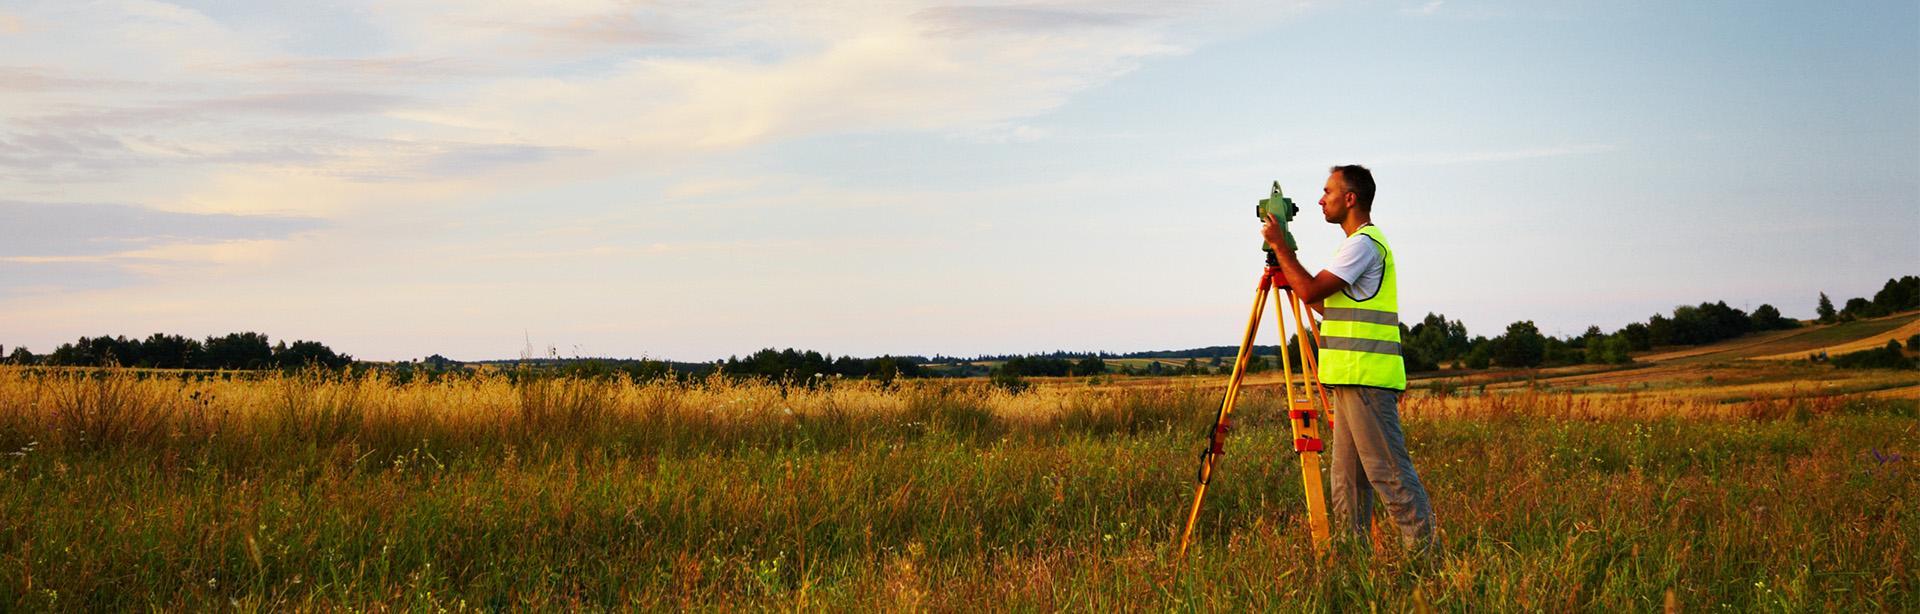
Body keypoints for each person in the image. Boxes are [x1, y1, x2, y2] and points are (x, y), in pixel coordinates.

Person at [1259, 164, 1436, 552]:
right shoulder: (1355, 245)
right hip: (1350, 381)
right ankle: (1353, 566)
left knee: (1390, 476)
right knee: (1348, 483)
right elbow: (1326, 304)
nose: (1321, 200)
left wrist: (1280, 247)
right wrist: (1287, 263)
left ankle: (1427, 566)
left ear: (1350, 198)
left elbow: (1309, 293)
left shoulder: (1363, 244)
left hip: (1367, 380)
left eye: (1328, 192)